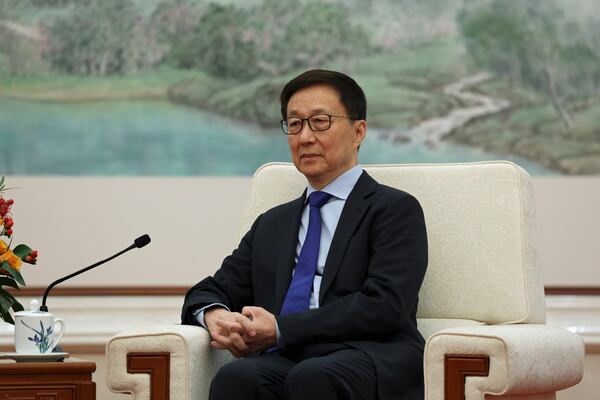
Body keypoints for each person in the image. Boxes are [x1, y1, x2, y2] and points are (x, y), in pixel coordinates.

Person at [182, 69, 428, 400]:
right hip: (291, 358)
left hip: (369, 354)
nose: (305, 137)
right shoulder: (273, 223)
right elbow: (210, 289)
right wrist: (215, 315)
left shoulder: (394, 209)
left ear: (358, 132)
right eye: (294, 124)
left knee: (312, 377)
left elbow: (385, 305)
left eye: (320, 122)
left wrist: (282, 329)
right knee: (237, 377)